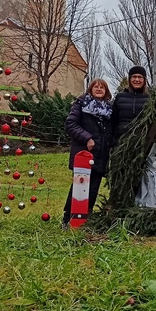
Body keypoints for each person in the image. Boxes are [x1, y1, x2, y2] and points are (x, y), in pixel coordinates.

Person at [63, 79, 113, 227]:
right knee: (79, 187)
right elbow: (70, 124)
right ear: (90, 89)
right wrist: (87, 138)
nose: (99, 89)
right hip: (83, 154)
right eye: (96, 87)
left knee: (93, 189)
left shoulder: (109, 110)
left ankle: (85, 218)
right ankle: (68, 219)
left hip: (101, 155)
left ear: (106, 91)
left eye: (102, 87)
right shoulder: (81, 104)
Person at [111, 66, 150, 145]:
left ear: (144, 80)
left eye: (140, 77)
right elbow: (113, 121)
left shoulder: (150, 98)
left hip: (143, 141)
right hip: (122, 140)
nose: (137, 80)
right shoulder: (120, 97)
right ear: (129, 79)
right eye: (134, 77)